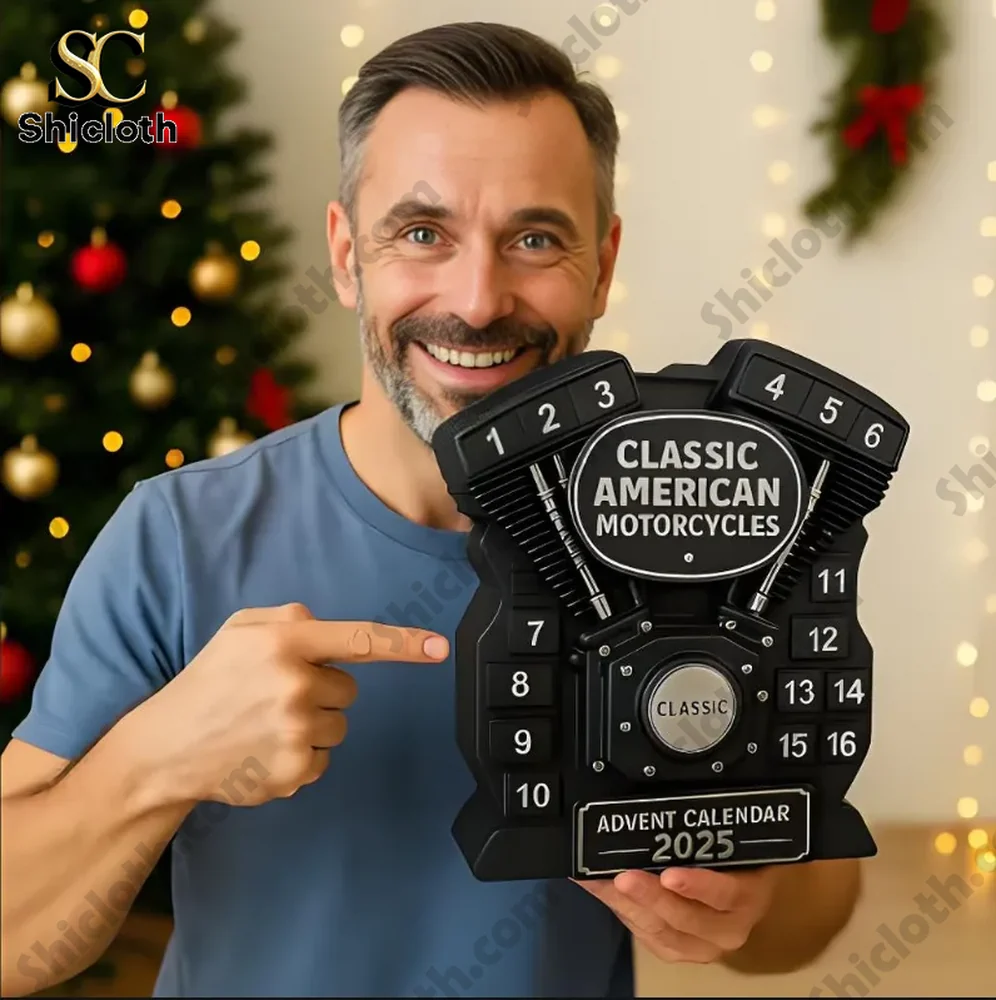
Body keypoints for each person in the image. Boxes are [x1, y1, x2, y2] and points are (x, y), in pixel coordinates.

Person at [0, 21, 862, 999]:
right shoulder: (177, 538)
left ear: (604, 263)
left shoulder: (702, 526)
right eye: (422, 234)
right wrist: (158, 758)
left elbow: (818, 897)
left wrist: (751, 899)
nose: (480, 298)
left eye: (535, 238)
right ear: (344, 253)